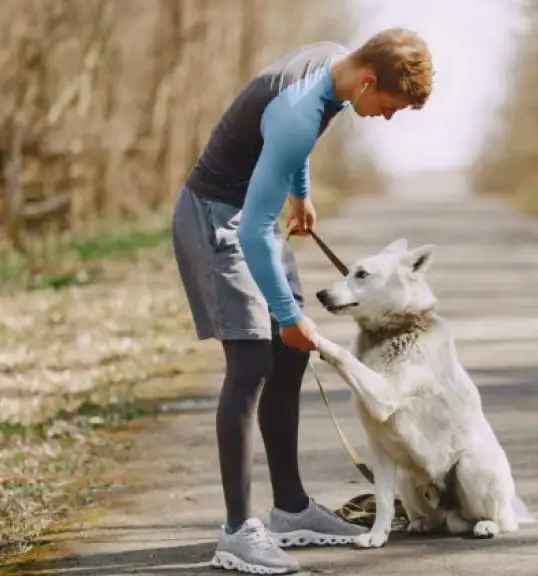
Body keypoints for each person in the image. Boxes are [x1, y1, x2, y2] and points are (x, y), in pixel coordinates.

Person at [170, 28, 433, 573]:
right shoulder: (298, 111)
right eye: (389, 106)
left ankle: (291, 511)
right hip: (219, 221)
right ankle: (237, 533)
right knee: (251, 362)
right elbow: (256, 220)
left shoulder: (334, 65)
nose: (388, 118)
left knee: (291, 354)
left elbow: (294, 145)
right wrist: (289, 316)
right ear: (367, 81)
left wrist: (302, 192)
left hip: (254, 215)